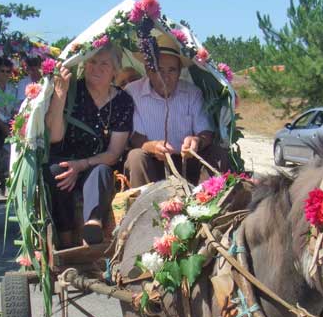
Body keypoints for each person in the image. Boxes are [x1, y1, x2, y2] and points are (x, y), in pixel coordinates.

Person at [45, 43, 133, 247]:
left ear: (115, 71)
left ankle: (93, 225)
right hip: (66, 160)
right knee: (57, 172)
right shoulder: (73, 91)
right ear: (84, 64)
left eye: (104, 64)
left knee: (102, 171)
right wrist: (60, 96)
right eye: (92, 61)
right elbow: (55, 138)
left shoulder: (123, 102)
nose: (96, 68)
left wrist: (82, 165)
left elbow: (114, 153)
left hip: (97, 162)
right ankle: (66, 240)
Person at [124, 32, 229, 187]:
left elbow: (206, 132)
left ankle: (206, 199)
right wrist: (153, 146)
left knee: (217, 153)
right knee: (135, 156)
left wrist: (197, 141)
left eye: (172, 70)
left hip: (187, 160)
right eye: (159, 70)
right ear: (148, 70)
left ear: (180, 71)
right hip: (153, 162)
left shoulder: (192, 93)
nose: (165, 77)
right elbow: (135, 138)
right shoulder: (133, 92)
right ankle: (146, 201)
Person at [0, 57, 18, 143]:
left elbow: (15, 109)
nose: (5, 74)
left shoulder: (13, 88)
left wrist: (13, 126)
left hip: (10, 125)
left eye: (8, 71)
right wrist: (3, 127)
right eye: (2, 71)